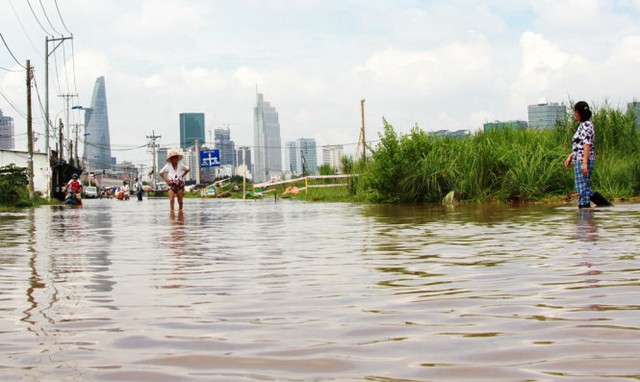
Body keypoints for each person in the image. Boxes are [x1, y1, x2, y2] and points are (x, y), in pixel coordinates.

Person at [564, 101, 611, 208]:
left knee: (582, 188)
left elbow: (587, 144)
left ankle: (591, 210)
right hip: (580, 159)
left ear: (578, 112)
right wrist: (571, 156)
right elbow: (580, 145)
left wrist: (584, 162)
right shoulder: (584, 125)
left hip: (583, 160)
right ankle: (591, 211)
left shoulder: (586, 125)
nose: (574, 114)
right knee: (582, 187)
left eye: (575, 111)